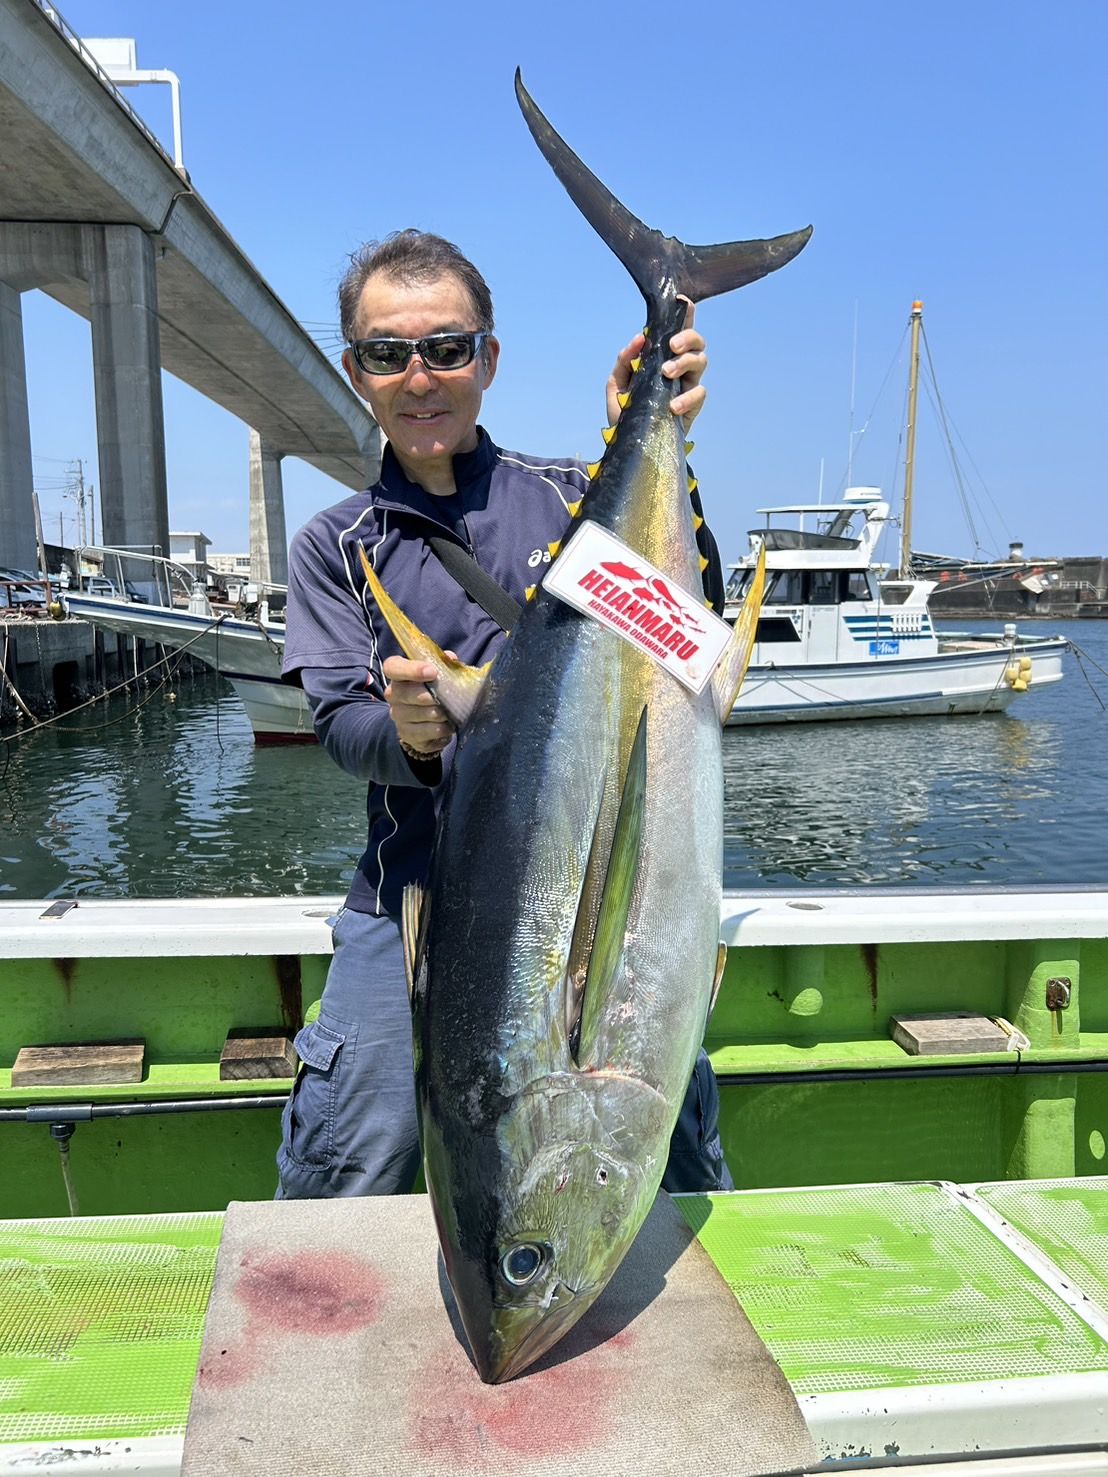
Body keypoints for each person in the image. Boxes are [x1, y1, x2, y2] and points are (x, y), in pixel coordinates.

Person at [277, 229, 734, 1199]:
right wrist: (406, 735)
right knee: (358, 1149)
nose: (419, 377)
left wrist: (658, 425)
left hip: (604, 881)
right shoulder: (336, 544)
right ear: (356, 371)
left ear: (488, 357)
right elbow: (339, 721)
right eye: (387, 353)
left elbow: (684, 640)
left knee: (675, 1144)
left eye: (446, 348)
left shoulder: (569, 498)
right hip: (415, 896)